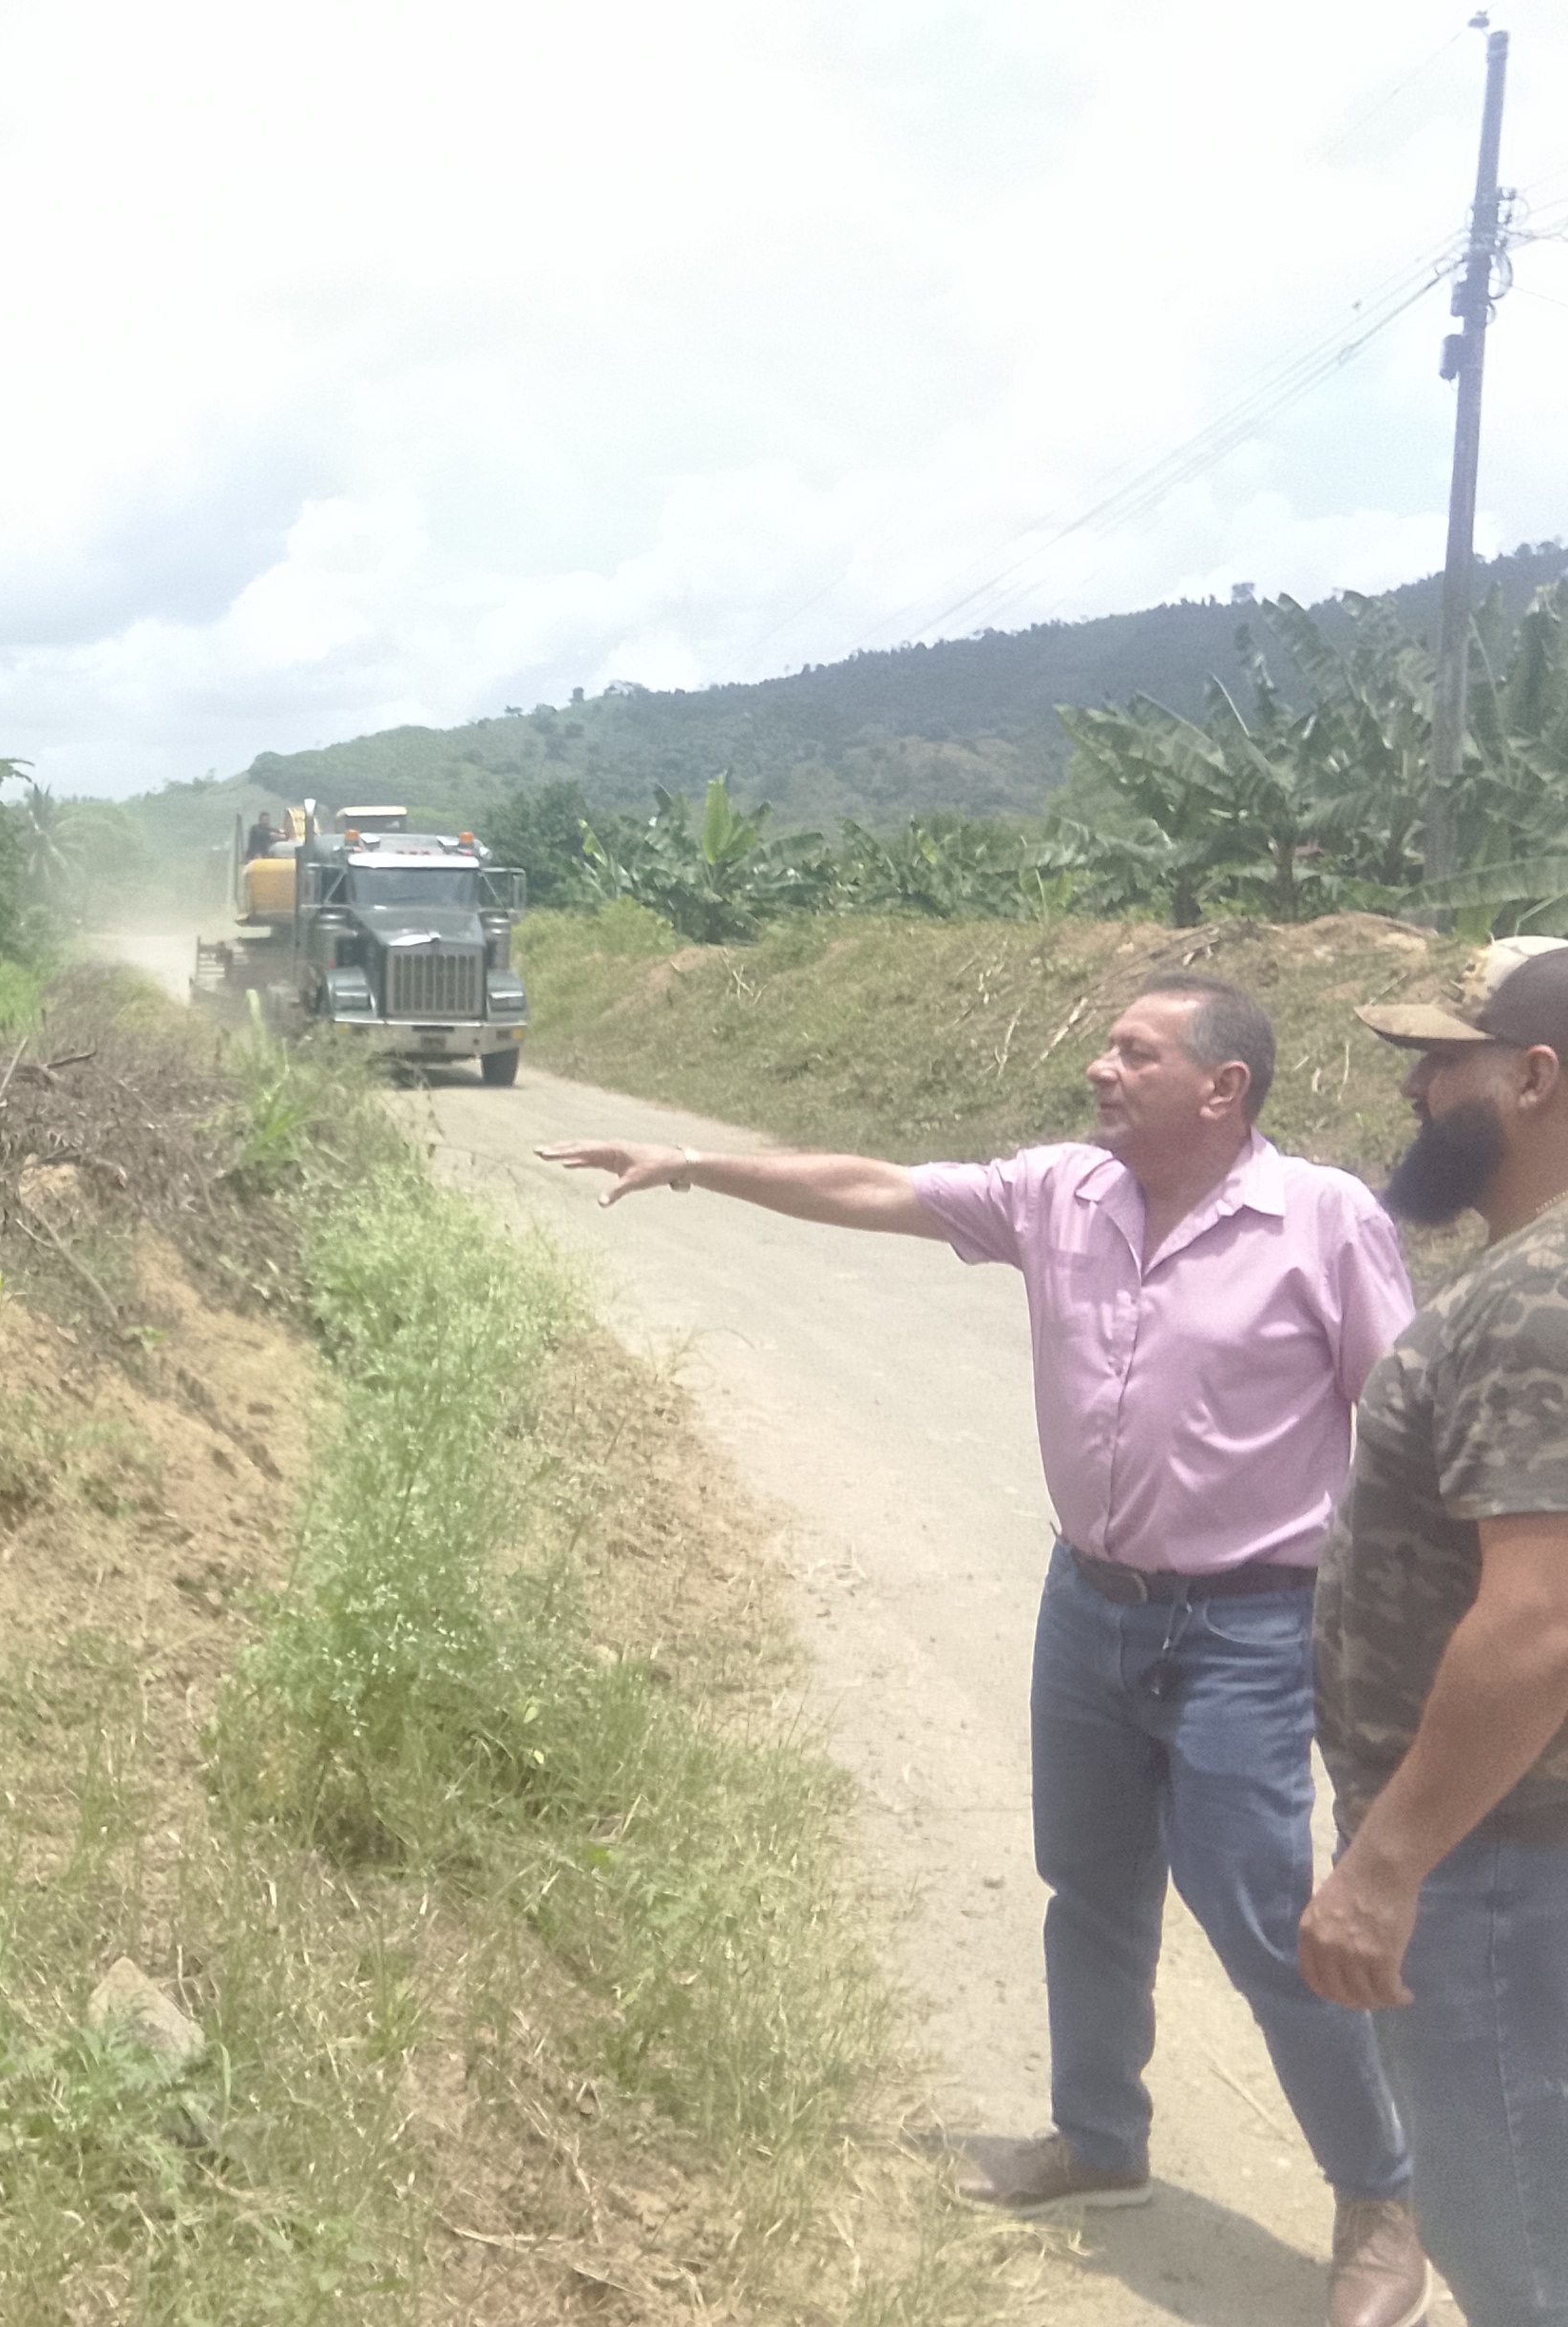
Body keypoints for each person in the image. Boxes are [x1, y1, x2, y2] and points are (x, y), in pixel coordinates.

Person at [541, 971, 1429, 2327]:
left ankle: (1378, 2199)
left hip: (1250, 1626)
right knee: (1090, 1882)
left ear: (1223, 1087)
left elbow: (1404, 1433)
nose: (1100, 1069)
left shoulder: (1322, 1219)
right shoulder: (1059, 1193)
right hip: (1088, 1608)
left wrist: (1399, 1628)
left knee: (1260, 1915)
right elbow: (877, 1187)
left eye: (1134, 1052)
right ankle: (1099, 2142)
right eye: (1106, 1048)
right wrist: (695, 1164)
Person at [1302, 936, 1568, 2327]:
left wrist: (1386, 1865)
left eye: (1442, 1064)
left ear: (1535, 1078)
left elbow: (1540, 1619)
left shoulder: (1535, 1300)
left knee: (1514, 2237)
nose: (1414, 1092)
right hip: (1520, 1843)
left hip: (1498, 1858)